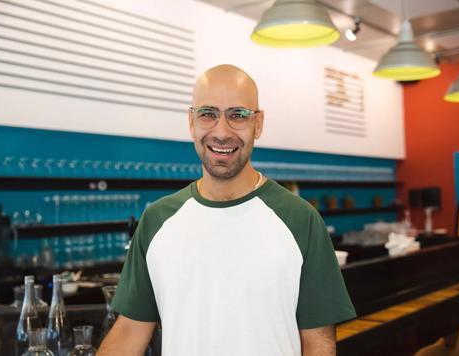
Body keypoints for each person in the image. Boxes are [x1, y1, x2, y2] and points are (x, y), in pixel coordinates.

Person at [97, 64, 356, 356]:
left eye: (238, 115)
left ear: (258, 124)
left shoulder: (300, 220)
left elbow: (318, 343)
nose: (221, 131)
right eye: (208, 114)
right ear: (191, 122)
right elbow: (130, 330)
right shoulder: (157, 220)